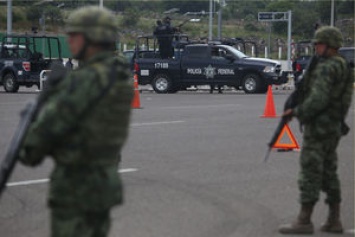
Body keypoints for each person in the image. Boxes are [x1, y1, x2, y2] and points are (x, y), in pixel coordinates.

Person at [18, 6, 133, 237]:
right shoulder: (119, 76)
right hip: (103, 185)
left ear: (93, 38)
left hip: (75, 189)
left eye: (74, 35)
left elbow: (32, 148)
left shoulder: (84, 82)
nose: (69, 40)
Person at [279, 26, 354, 235]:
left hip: (319, 127)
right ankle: (334, 219)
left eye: (319, 43)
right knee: (330, 172)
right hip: (333, 127)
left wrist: (297, 112)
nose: (315, 47)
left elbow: (319, 99)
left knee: (310, 171)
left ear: (329, 45)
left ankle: (304, 220)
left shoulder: (327, 67)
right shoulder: (343, 66)